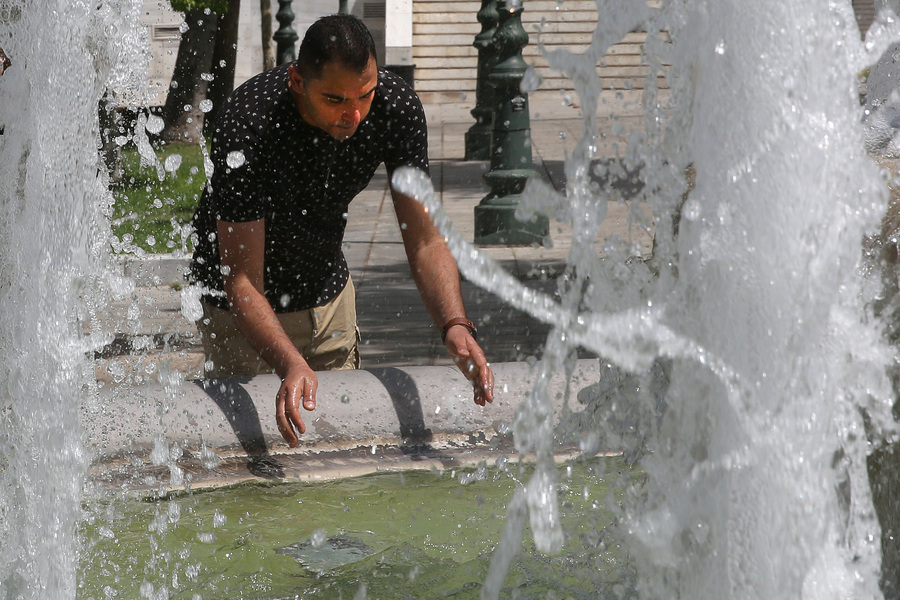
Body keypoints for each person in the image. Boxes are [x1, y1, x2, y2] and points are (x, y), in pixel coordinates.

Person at [189, 14, 494, 448]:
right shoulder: (247, 125)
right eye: (334, 99)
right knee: (249, 470)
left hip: (327, 298)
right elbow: (240, 280)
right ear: (297, 81)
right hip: (237, 313)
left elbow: (425, 239)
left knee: (341, 458)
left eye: (364, 95)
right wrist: (289, 362)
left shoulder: (395, 109)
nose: (353, 114)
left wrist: (454, 324)